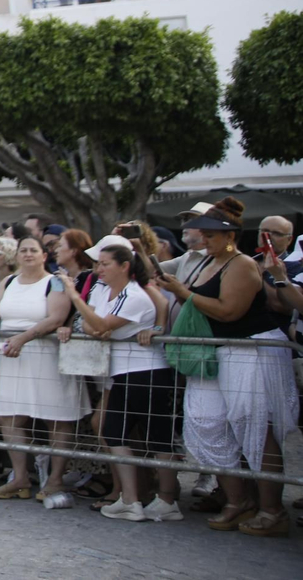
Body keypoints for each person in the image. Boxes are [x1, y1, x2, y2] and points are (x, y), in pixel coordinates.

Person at [156, 207, 297, 537]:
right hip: (218, 351)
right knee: (207, 421)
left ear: (231, 236)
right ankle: (238, 500)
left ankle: (272, 510)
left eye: (211, 235)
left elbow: (230, 311)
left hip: (250, 347)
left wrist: (183, 293)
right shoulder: (206, 261)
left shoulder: (242, 264)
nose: (204, 239)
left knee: (255, 425)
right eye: (202, 234)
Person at [63, 242, 181, 522]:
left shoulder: (137, 294)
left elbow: (100, 326)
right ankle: (130, 498)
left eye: (105, 264)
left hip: (147, 370)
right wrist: (94, 323)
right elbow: (91, 325)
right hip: (122, 372)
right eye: (98, 264)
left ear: (124, 266)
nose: (98, 269)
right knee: (114, 432)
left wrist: (75, 297)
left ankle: (166, 499)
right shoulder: (106, 291)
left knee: (157, 437)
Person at [0, 235, 87, 501]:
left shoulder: (53, 282)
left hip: (46, 355)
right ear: (16, 256)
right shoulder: (7, 281)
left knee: (56, 418)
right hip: (12, 356)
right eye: (23, 250)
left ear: (44, 255)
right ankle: (20, 477)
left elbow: (56, 317)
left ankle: (55, 480)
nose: (28, 254)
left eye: (33, 250)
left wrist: (22, 338)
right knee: (10, 417)